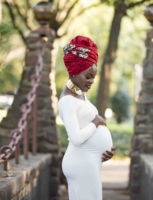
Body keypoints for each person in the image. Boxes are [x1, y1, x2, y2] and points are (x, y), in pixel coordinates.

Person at [58, 35, 116, 200]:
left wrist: (105, 151)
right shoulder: (67, 101)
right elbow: (76, 138)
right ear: (74, 72)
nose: (91, 81)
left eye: (93, 77)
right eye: (88, 76)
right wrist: (96, 122)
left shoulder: (80, 94)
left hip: (88, 160)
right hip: (81, 163)